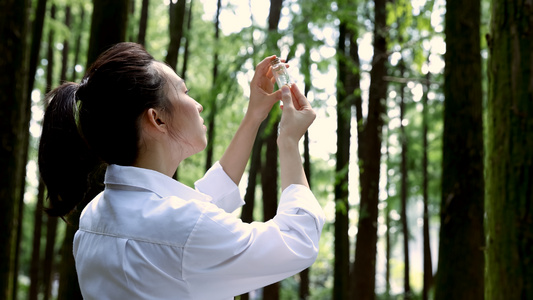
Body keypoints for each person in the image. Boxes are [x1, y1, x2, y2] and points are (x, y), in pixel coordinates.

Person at [38, 42, 324, 299]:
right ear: (157, 119)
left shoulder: (94, 216)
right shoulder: (184, 228)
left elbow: (200, 208)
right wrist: (288, 141)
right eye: (184, 91)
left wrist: (254, 116)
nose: (198, 105)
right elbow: (298, 241)